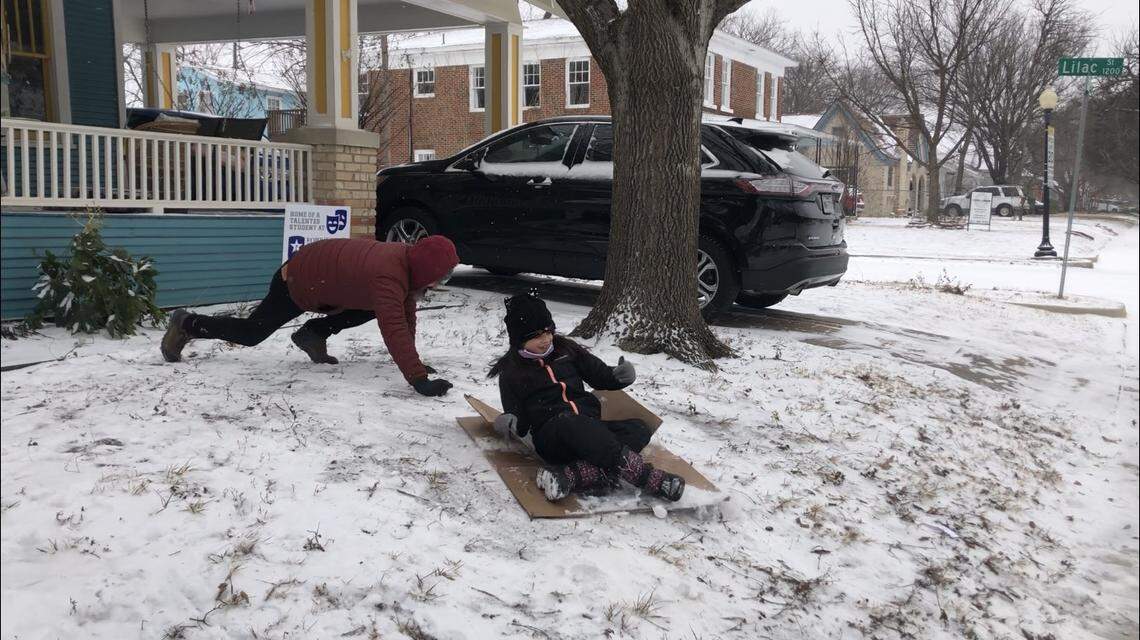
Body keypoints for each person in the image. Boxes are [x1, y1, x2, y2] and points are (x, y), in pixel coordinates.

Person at [160, 236, 458, 397]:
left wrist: (416, 362)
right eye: (439, 279)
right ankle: (187, 323)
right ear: (426, 271)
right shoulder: (388, 276)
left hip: (324, 282)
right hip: (298, 282)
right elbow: (394, 326)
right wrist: (418, 380)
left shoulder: (405, 260)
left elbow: (406, 312)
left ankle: (312, 333)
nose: (437, 285)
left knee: (373, 308)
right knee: (252, 334)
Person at [488, 292, 685, 502]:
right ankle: (646, 477)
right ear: (519, 339)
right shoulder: (511, 373)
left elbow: (600, 375)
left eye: (549, 331)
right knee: (570, 422)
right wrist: (510, 422)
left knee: (638, 429)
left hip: (591, 429)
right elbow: (516, 417)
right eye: (537, 336)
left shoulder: (566, 349)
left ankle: (571, 476)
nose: (546, 340)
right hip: (553, 437)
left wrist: (618, 377)